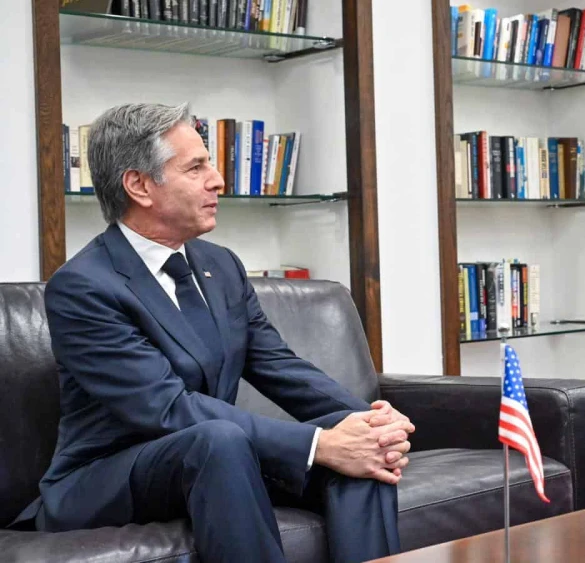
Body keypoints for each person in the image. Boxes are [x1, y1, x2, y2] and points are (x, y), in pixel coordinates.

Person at [10, 103, 412, 563]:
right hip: (110, 475)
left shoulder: (219, 265)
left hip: (216, 458)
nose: (218, 180)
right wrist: (319, 444)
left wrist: (367, 423)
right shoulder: (83, 286)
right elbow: (166, 409)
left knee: (359, 450)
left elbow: (276, 364)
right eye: (196, 166)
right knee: (220, 440)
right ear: (140, 185)